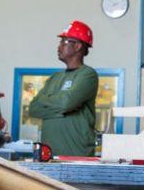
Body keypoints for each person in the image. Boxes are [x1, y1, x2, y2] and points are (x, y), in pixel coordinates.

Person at [28, 21, 99, 157]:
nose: (58, 47)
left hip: (77, 156)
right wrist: (63, 111)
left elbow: (67, 103)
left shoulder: (87, 74)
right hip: (49, 155)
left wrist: (49, 103)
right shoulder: (55, 77)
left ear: (77, 46)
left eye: (64, 42)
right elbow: (33, 108)